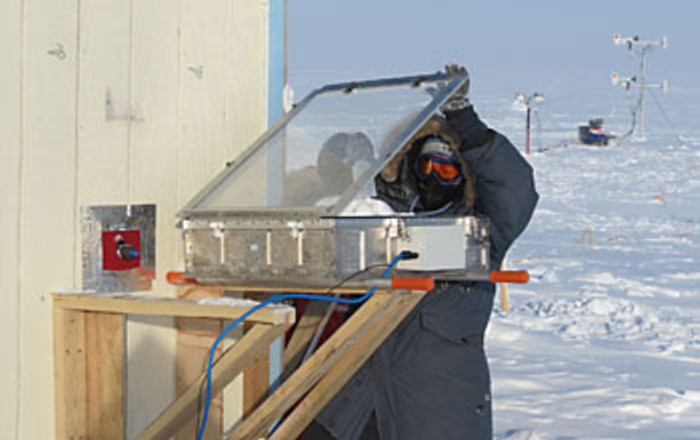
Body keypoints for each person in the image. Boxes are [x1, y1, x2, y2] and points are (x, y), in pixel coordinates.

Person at [301, 65, 539, 440]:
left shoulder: (480, 232)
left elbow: (515, 189)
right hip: (357, 399)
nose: (434, 176)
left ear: (464, 176)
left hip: (439, 403)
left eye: (446, 170)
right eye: (425, 165)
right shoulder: (383, 219)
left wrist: (466, 123)